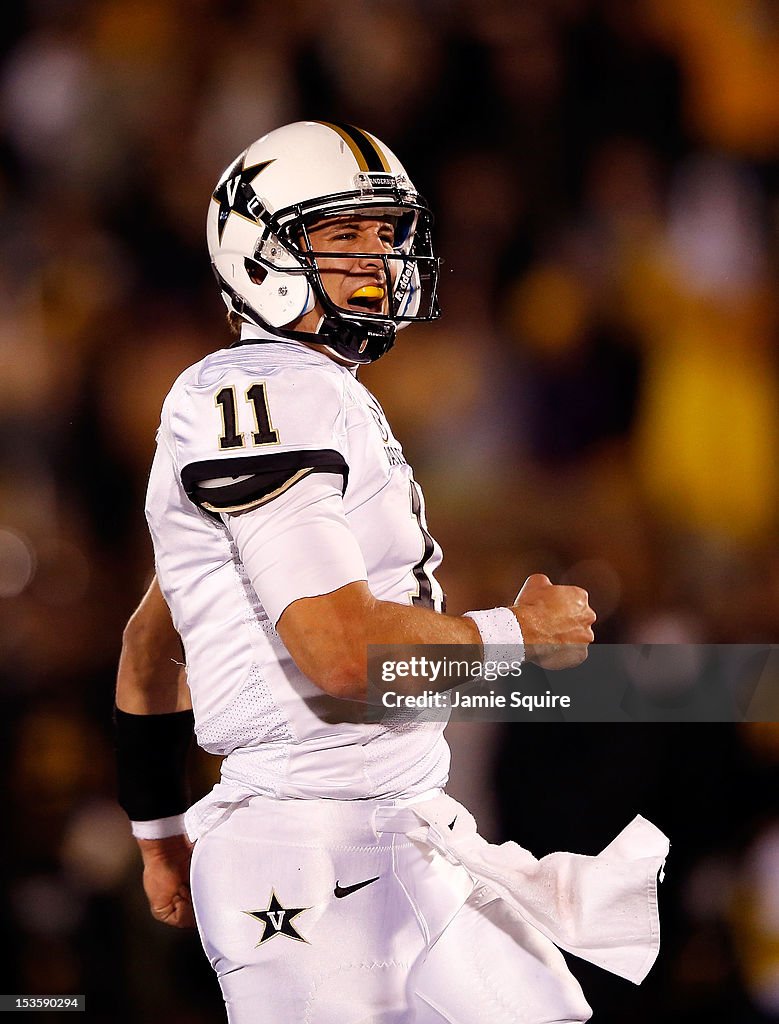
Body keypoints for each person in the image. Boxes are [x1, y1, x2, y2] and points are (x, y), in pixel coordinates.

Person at [115, 120, 668, 1024]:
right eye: (342, 236)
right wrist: (514, 638)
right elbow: (339, 654)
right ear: (257, 252)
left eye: (386, 233)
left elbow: (151, 641)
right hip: (309, 859)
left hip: (384, 827)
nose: (377, 259)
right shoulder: (270, 394)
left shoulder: (290, 391)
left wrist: (158, 835)